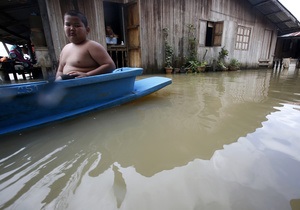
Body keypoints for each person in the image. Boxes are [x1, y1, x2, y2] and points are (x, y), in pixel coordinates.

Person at [56, 10, 116, 80]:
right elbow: (60, 70)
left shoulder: (91, 46)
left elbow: (110, 65)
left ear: (87, 30)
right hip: (68, 87)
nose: (72, 28)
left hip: (85, 85)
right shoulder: (65, 49)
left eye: (77, 25)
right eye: (68, 25)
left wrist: (87, 74)